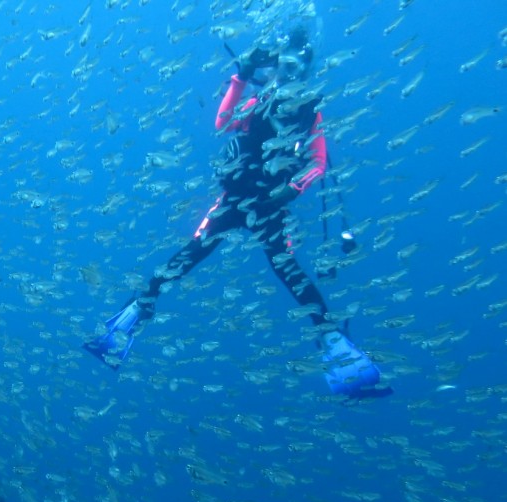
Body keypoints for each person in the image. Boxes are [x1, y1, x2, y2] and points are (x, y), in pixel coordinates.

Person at [85, 20, 389, 399]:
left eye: (297, 68)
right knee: (187, 256)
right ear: (274, 67)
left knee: (288, 269)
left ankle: (332, 341)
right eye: (283, 66)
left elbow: (318, 162)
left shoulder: (309, 114)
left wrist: (289, 191)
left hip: (270, 208)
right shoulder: (256, 103)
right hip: (232, 201)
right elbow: (222, 122)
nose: (289, 72)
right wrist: (240, 75)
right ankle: (132, 316)